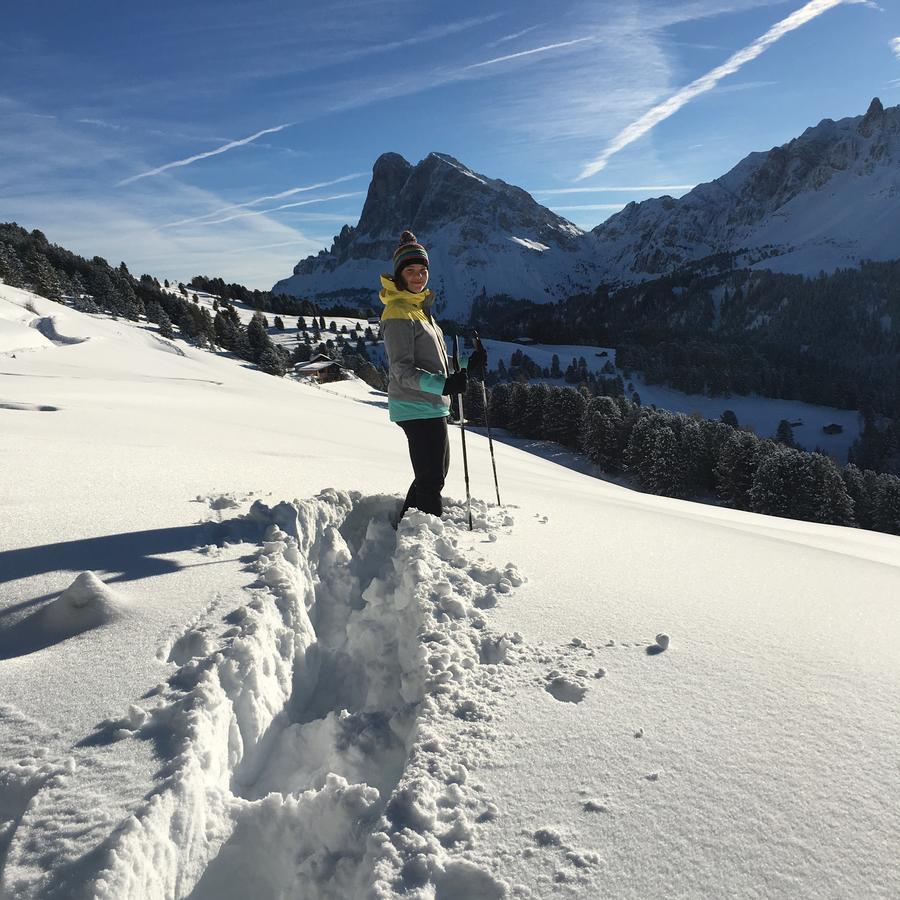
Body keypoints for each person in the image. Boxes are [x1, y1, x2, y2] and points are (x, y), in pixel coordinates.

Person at [380, 230, 481, 520]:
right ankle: (423, 540)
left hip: (430, 404)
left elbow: (434, 360)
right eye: (410, 271)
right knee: (432, 479)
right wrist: (444, 384)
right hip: (415, 405)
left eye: (422, 270)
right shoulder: (398, 311)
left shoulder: (419, 309)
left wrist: (465, 363)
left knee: (432, 474)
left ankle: (406, 526)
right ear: (399, 275)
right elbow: (401, 369)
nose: (418, 276)